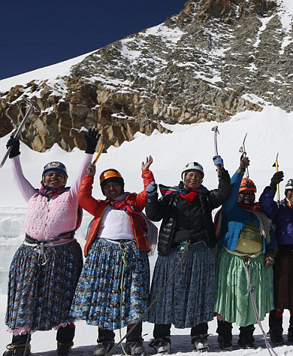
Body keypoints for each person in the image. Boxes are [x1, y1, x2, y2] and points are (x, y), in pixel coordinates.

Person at [4, 129, 98, 356]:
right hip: (30, 254)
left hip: (63, 254)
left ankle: (64, 345)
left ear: (65, 179)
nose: (53, 177)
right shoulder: (34, 196)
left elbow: (81, 176)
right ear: (43, 178)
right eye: (49, 174)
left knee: (64, 300)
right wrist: (14, 155)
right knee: (24, 299)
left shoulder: (71, 195)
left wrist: (89, 151)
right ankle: (19, 346)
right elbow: (18, 178)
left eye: (58, 174)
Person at [72, 157, 157, 356]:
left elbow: (148, 192)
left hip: (132, 255)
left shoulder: (134, 202)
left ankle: (134, 340)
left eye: (115, 184)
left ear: (122, 186)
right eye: (107, 186)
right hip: (105, 257)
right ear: (103, 190)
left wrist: (146, 173)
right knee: (106, 298)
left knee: (133, 297)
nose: (111, 188)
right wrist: (89, 177)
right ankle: (105, 340)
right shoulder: (101, 207)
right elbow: (83, 198)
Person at [145, 156, 231, 353]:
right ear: (183, 177)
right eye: (190, 175)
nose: (194, 178)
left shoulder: (205, 198)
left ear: (201, 179)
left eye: (198, 176)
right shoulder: (170, 197)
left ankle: (199, 335)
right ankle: (161, 337)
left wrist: (221, 170)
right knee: (166, 294)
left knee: (198, 293)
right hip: (173, 252)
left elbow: (224, 193)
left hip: (200, 251)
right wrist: (150, 197)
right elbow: (154, 214)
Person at [215, 157, 276, 350]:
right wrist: (240, 169)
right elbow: (230, 193)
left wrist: (270, 253)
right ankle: (224, 336)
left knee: (251, 300)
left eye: (251, 194)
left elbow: (270, 237)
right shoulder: (231, 209)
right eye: (244, 193)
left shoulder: (260, 216)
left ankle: (246, 336)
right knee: (228, 297)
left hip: (255, 263)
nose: (248, 197)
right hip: (232, 262)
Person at [259, 172, 293, 346]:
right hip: (281, 254)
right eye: (290, 191)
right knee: (279, 292)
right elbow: (264, 203)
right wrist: (272, 186)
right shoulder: (279, 208)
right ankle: (275, 329)